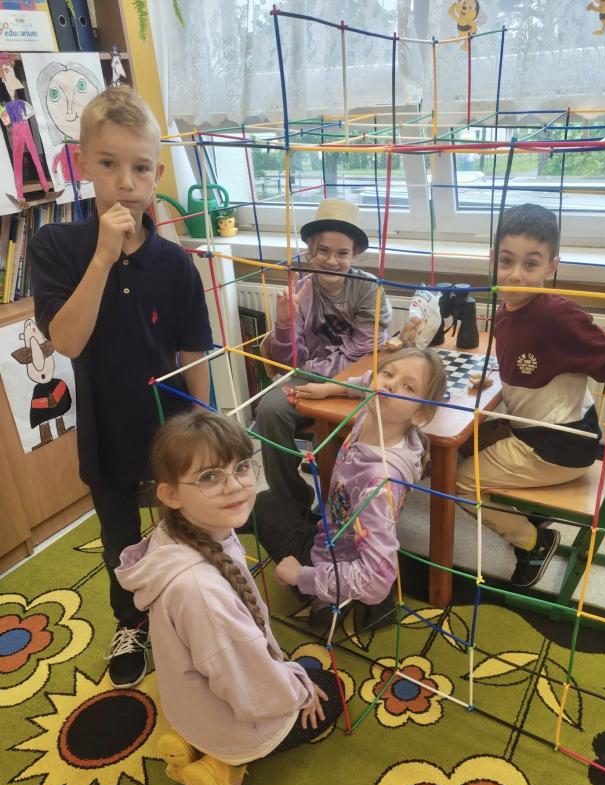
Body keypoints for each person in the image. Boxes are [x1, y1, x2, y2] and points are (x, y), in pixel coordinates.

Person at [28, 87, 213, 687]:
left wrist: (204, 431)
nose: (126, 183)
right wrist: (103, 258)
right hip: (106, 430)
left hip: (172, 428)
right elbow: (68, 341)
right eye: (109, 164)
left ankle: (193, 612)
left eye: (140, 167)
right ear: (83, 163)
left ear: (157, 173)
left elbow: (193, 352)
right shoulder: (56, 246)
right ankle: (130, 622)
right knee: (120, 540)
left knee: (184, 528)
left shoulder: (176, 263)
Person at [115, 411, 344, 785]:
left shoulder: (181, 531)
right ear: (170, 494)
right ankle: (224, 769)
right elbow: (250, 688)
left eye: (241, 467)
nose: (235, 485)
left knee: (293, 671)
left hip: (191, 703)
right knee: (329, 688)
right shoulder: (202, 592)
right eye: (209, 477)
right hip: (231, 717)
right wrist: (299, 689)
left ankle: (192, 742)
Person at [456, 203, 605, 589]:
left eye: (530, 264)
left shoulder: (555, 316)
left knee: (455, 481)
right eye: (506, 261)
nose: (515, 274)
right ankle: (530, 511)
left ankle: (532, 542)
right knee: (460, 443)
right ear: (492, 259)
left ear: (551, 267)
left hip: (559, 446)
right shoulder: (508, 309)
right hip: (537, 430)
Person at [253, 348, 447, 629]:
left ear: (420, 415)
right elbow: (368, 380)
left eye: (408, 387)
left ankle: (332, 597)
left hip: (334, 556)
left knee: (263, 505)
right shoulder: (377, 415)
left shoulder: (379, 482)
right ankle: (356, 598)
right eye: (389, 374)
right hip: (346, 534)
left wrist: (302, 576)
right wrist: (328, 389)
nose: (390, 385)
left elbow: (376, 578)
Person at [255, 198, 392, 516]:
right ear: (310, 252)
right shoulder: (302, 289)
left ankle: (351, 500)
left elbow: (362, 351)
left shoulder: (368, 289)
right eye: (323, 251)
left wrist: (318, 378)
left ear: (354, 255)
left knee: (374, 420)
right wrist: (284, 324)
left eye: (342, 253)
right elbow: (289, 362)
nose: (331, 261)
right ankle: (291, 502)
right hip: (310, 376)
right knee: (269, 409)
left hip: (357, 377)